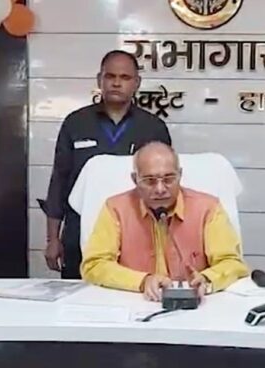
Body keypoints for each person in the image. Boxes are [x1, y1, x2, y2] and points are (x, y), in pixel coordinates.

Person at [42, 50, 172, 279]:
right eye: (110, 76)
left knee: (134, 292)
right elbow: (59, 182)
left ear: (137, 83)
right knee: (78, 297)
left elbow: (166, 188)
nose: (116, 83)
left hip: (137, 234)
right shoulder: (76, 123)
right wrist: (53, 239)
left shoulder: (153, 127)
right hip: (80, 233)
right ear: (99, 80)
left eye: (125, 77)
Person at [81, 142, 248, 301]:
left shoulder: (208, 208)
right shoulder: (115, 208)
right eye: (150, 181)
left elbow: (232, 262)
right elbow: (94, 265)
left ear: (180, 175)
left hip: (195, 304)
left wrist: (207, 279)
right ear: (135, 179)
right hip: (134, 302)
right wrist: (142, 281)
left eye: (168, 179)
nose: (160, 189)